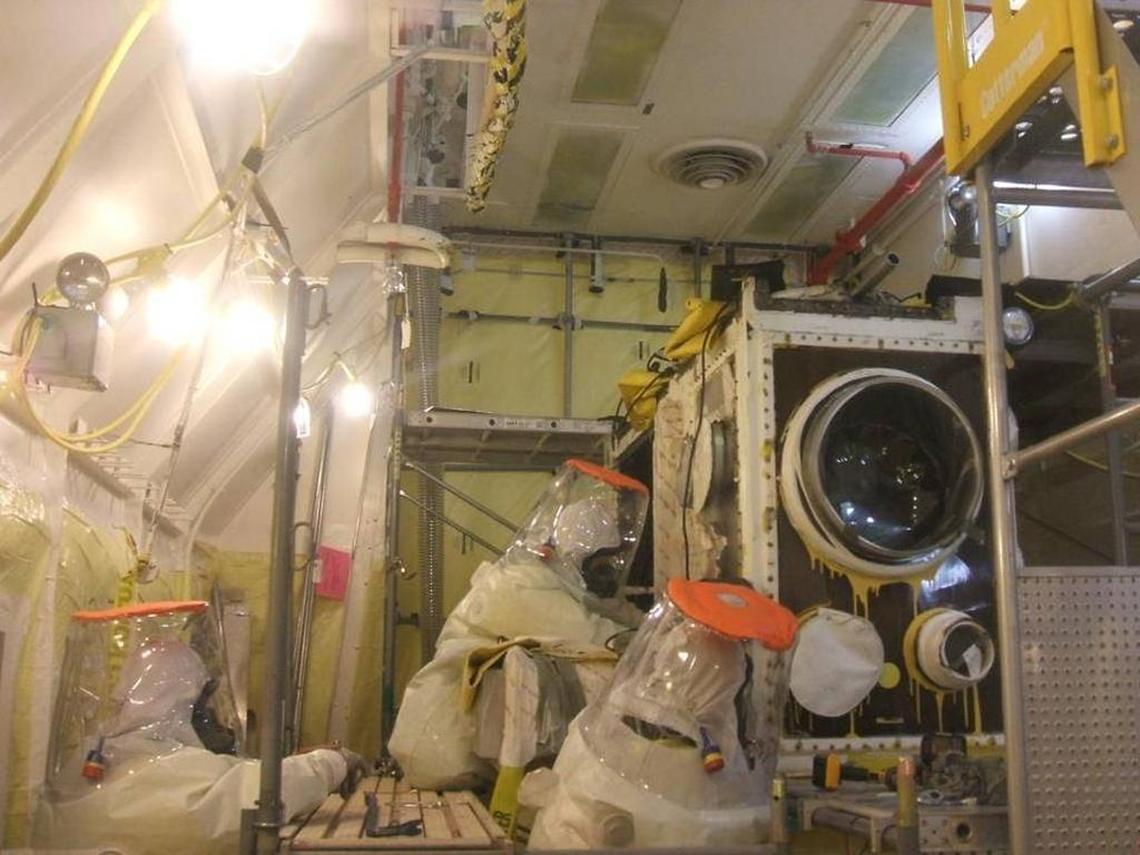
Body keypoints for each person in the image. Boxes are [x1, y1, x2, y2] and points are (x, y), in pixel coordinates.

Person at [388, 459, 649, 790]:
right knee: (601, 672)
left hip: (453, 744)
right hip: (444, 748)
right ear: (579, 558)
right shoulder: (524, 586)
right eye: (599, 564)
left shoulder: (544, 579)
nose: (604, 573)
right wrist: (666, 638)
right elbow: (603, 637)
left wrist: (651, 617)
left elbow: (604, 607)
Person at [526, 578, 798, 849]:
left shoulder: (678, 639)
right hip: (679, 767)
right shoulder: (729, 659)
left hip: (624, 749)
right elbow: (711, 713)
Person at [34, 637, 368, 855]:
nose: (209, 715)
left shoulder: (84, 765)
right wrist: (333, 761)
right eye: (203, 704)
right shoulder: (171, 768)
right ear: (182, 702)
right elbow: (260, 794)